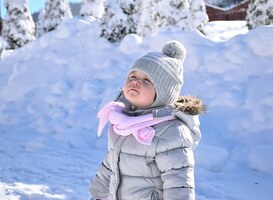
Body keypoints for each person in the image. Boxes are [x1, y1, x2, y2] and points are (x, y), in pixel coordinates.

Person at [89, 40, 205, 200]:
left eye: (147, 80)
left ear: (163, 93)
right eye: (133, 76)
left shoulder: (171, 131)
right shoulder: (122, 121)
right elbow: (111, 163)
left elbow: (179, 183)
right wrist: (98, 194)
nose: (135, 81)